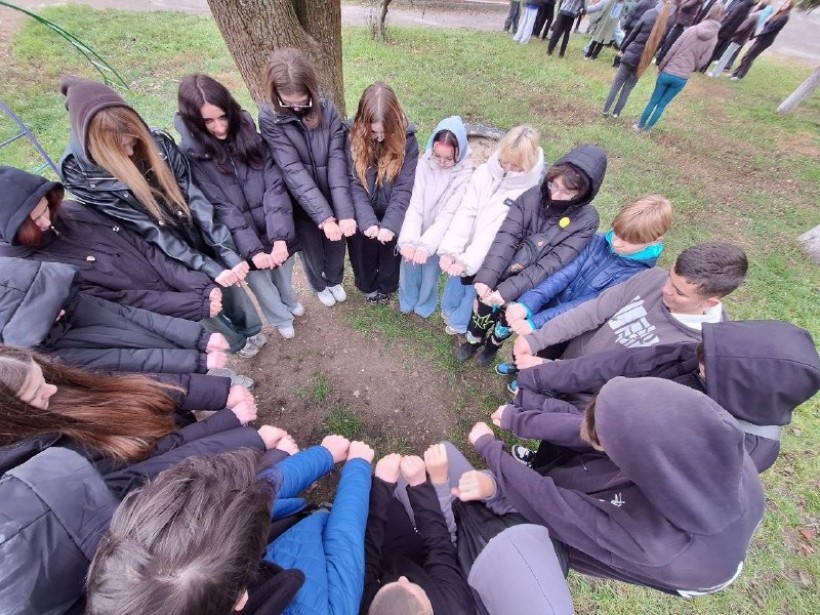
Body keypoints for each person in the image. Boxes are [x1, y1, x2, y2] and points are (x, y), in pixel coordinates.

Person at [455, 377, 766, 597]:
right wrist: (520, 420)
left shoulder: (656, 543)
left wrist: (491, 451)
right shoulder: (678, 429)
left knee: (561, 535)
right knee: (583, 478)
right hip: (668, 508)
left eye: (604, 446)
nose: (593, 443)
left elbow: (557, 508)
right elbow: (593, 428)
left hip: (687, 562)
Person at [58, 76, 265, 359]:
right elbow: (146, 230)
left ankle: (250, 329)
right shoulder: (81, 174)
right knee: (201, 302)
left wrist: (223, 251)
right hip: (161, 252)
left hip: (193, 230)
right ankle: (236, 343)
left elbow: (195, 197)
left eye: (133, 143)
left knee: (231, 285)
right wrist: (206, 267)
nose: (131, 152)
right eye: (121, 150)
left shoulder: (157, 142)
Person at [86, 438, 375, 615]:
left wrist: (321, 455)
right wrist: (358, 468)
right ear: (240, 598)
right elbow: (343, 552)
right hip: (317, 543)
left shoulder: (121, 597)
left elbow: (252, 495)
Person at [509, 320, 820, 472]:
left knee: (567, 474)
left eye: (706, 367)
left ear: (744, 389)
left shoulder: (740, 449)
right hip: (600, 420)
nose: (697, 360)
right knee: (555, 448)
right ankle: (538, 463)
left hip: (613, 463)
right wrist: (541, 376)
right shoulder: (710, 356)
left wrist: (537, 408)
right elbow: (622, 362)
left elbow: (617, 442)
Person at [0, 344, 297, 499]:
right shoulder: (57, 463)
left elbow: (133, 385)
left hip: (170, 431)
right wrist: (242, 435)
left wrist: (215, 395)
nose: (51, 390)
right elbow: (159, 467)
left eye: (44, 378)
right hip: (178, 468)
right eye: (38, 393)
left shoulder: (55, 387)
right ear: (14, 417)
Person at [0, 165, 222, 324]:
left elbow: (141, 246)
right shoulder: (34, 270)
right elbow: (116, 302)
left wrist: (196, 284)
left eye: (45, 208)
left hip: (182, 296)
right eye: (35, 220)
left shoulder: (75, 211)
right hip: (152, 324)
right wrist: (193, 304)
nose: (47, 221)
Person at [177, 74, 303, 340]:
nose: (220, 127)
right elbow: (219, 207)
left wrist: (279, 237)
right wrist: (253, 251)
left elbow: (274, 184)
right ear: (194, 122)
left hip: (274, 224)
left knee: (283, 272)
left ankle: (290, 302)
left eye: (223, 117)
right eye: (208, 122)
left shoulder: (249, 132)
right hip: (240, 239)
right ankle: (280, 317)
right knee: (261, 284)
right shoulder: (192, 155)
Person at [456, 144, 604, 368]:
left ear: (584, 193)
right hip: (501, 270)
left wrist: (508, 292)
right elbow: (506, 237)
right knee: (481, 313)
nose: (555, 194)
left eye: (566, 192)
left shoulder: (586, 220)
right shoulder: (532, 196)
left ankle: (491, 348)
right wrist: (487, 277)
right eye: (553, 185)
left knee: (505, 324)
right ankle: (472, 341)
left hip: (530, 286)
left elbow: (552, 263)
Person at [495, 194, 672, 378]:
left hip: (569, 328)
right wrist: (528, 304)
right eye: (616, 233)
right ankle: (518, 366)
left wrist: (536, 322)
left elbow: (586, 305)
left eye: (627, 241)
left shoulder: (635, 278)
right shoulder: (597, 241)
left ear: (655, 239)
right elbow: (562, 275)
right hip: (548, 307)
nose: (616, 242)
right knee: (525, 346)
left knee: (546, 357)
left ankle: (527, 378)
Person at [513, 241, 749, 366]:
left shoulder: (696, 348)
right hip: (564, 365)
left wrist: (552, 370)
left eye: (678, 292)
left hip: (592, 408)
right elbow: (592, 311)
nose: (664, 289)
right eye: (669, 277)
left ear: (710, 301)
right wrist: (536, 339)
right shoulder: (652, 278)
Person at [0, 256, 227, 374]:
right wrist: (196, 360)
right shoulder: (53, 355)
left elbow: (134, 314)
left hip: (182, 356)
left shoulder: (72, 301)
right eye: (45, 313)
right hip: (164, 375)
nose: (59, 309)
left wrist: (200, 338)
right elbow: (127, 361)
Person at [259, 47, 355, 307]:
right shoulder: (269, 117)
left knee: (336, 247)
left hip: (333, 196)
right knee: (312, 252)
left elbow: (338, 159)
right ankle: (319, 284)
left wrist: (342, 212)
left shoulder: (328, 109)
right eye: (288, 102)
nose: (296, 107)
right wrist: (323, 217)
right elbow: (291, 169)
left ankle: (334, 280)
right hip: (300, 204)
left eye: (301, 101)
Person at [437, 126, 544, 337]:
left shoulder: (529, 193)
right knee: (455, 284)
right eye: (504, 162)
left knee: (473, 293)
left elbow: (496, 234)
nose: (507, 169)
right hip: (466, 247)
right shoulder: (485, 171)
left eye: (515, 166)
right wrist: (452, 249)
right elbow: (467, 209)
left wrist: (467, 262)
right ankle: (449, 312)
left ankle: (459, 323)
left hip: (491, 257)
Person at [362, 445, 474, 615]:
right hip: (417, 561)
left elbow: (366, 554)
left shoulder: (356, 603)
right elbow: (439, 545)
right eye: (408, 586)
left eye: (397, 584)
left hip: (383, 564)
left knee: (371, 501)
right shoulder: (455, 606)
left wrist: (381, 486)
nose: (403, 578)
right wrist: (419, 484)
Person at [347, 82, 419, 304]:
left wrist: (390, 224)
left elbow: (405, 186)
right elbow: (354, 183)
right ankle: (368, 286)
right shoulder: (350, 136)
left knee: (390, 255)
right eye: (374, 131)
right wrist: (367, 220)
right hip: (363, 210)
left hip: (393, 211)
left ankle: (387, 287)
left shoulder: (408, 140)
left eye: (384, 131)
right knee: (362, 253)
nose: (379, 137)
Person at [398, 116, 474, 318]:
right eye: (437, 156)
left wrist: (426, 246)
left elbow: (448, 216)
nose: (441, 162)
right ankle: (407, 298)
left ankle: (424, 303)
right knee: (408, 269)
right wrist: (409, 241)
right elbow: (414, 205)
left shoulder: (466, 175)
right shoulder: (423, 164)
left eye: (448, 159)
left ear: (460, 153)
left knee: (430, 276)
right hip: (415, 227)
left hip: (439, 237)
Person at [634, 4, 723, 132]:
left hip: (668, 72)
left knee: (653, 101)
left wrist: (661, 66)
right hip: (682, 77)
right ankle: (648, 129)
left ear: (707, 14)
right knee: (662, 104)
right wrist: (693, 67)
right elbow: (703, 61)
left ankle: (640, 126)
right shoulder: (714, 39)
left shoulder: (691, 30)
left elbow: (672, 49)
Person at [602, 0, 674, 118]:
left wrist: (622, 48)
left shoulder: (649, 13)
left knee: (616, 85)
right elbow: (662, 44)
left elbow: (633, 33)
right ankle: (616, 114)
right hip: (644, 60)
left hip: (631, 53)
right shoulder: (668, 22)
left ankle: (605, 110)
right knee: (627, 89)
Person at [731, 0, 792, 80]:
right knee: (747, 55)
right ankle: (736, 73)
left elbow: (772, 29)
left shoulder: (785, 16)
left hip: (766, 40)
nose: (784, 5)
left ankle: (740, 75)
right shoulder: (779, 14)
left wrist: (757, 35)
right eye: (785, 3)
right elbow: (767, 24)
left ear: (789, 7)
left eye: (787, 4)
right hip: (761, 37)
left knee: (750, 56)